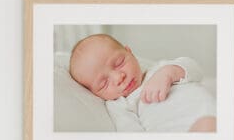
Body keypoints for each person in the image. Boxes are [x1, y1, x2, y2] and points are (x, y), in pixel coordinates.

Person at [68, 33, 216, 133]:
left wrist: (169, 73)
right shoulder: (119, 105)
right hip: (181, 134)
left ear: (129, 52)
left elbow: (196, 71)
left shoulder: (158, 69)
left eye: (119, 63)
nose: (119, 77)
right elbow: (132, 134)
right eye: (104, 83)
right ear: (95, 93)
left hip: (212, 112)